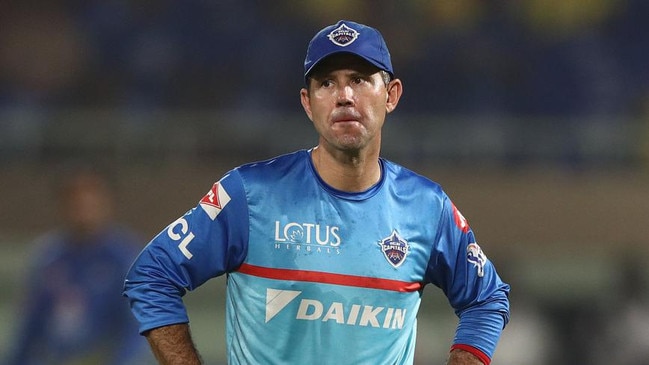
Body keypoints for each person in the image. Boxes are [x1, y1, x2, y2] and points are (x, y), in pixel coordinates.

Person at [123, 20, 510, 365]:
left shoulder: (427, 208)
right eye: (327, 83)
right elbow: (152, 275)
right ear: (308, 104)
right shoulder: (249, 195)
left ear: (390, 95)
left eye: (359, 79)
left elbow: (487, 298)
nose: (344, 96)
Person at [5, 167, 153, 365]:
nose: (82, 206)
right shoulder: (49, 256)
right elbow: (30, 329)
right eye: (73, 198)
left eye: (90, 197)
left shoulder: (125, 257)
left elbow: (135, 330)